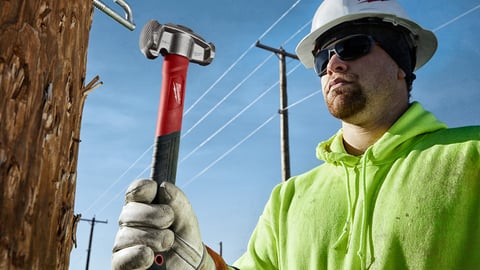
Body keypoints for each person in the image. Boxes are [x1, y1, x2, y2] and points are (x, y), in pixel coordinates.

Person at [111, 0, 480, 269]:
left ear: (403, 63)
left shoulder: (470, 157)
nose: (334, 64)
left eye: (353, 46)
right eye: (323, 58)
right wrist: (198, 265)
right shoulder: (288, 199)